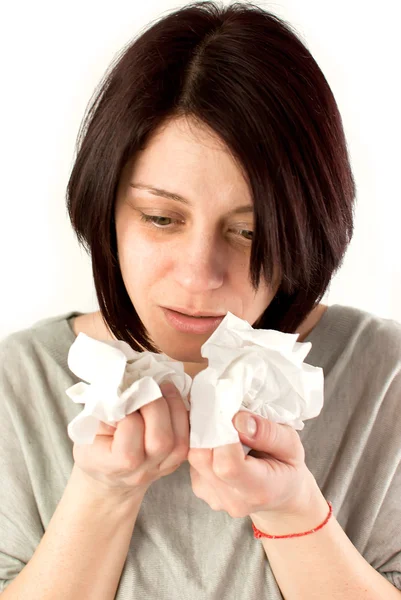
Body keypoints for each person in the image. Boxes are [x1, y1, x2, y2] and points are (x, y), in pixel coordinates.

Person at [1, 1, 400, 599]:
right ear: (105, 208)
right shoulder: (18, 382)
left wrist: (293, 513)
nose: (198, 276)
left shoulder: (384, 379)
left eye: (249, 232)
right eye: (162, 218)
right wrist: (103, 495)